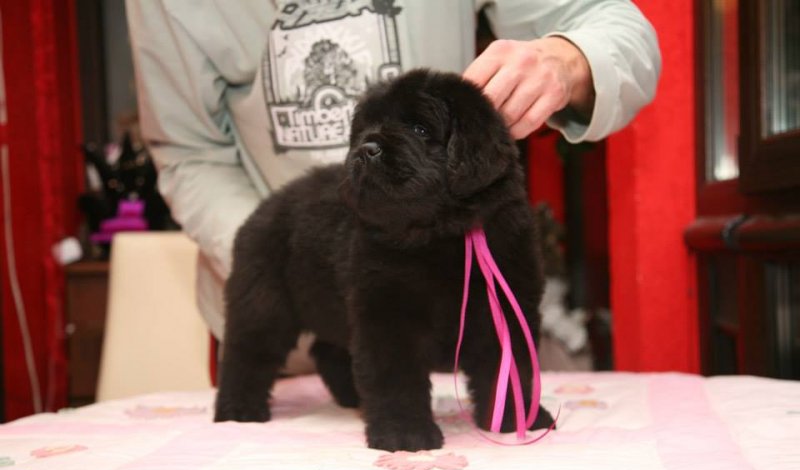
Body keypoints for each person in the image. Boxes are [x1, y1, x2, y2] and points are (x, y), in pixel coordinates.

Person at [127, 0, 661, 348]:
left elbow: (622, 30)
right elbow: (190, 152)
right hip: (287, 319)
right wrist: (283, 262)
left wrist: (565, 59)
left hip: (455, 312)